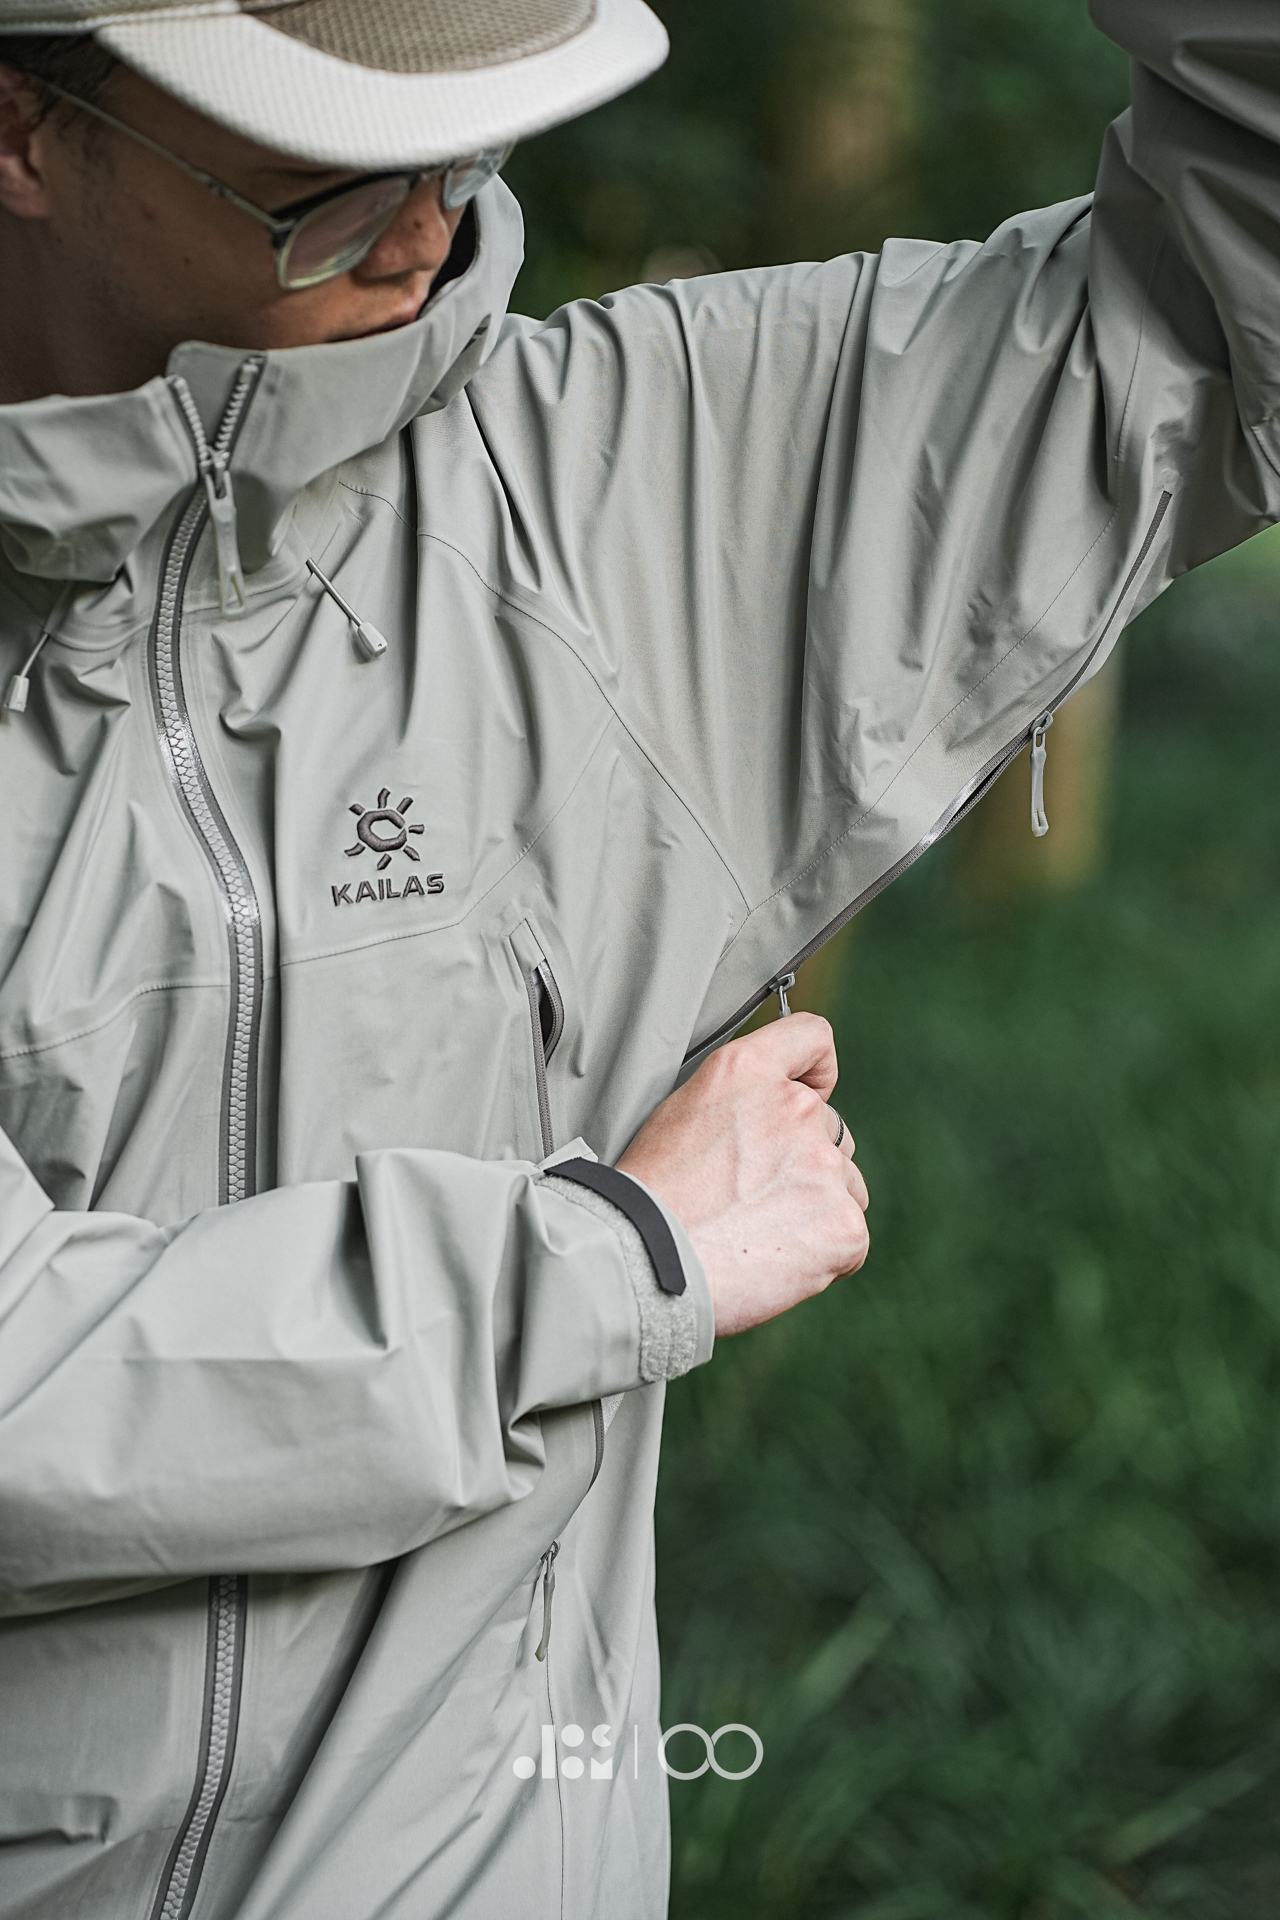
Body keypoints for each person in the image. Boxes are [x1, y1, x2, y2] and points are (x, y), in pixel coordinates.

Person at [0, 0, 1273, 1914]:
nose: (426, 233)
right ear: (23, 129)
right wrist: (605, 1261)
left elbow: (1213, 301)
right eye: (321, 184)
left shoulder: (620, 486)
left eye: (463, 151)